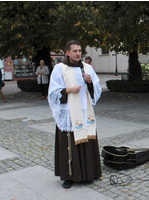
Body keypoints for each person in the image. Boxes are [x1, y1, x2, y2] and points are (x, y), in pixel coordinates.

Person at [48, 40, 102, 189]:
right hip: (69, 111)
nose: (78, 53)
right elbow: (52, 92)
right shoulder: (59, 69)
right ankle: (68, 176)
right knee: (69, 144)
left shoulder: (87, 68)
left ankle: (88, 174)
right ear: (67, 53)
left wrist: (90, 83)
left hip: (85, 110)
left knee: (86, 141)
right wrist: (67, 90)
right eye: (74, 51)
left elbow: (96, 89)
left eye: (79, 50)